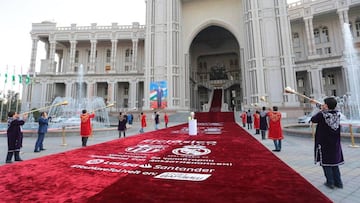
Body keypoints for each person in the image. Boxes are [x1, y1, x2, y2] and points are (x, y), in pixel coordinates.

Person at [311, 97, 344, 189]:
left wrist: (318, 109)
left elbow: (313, 119)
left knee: (326, 164)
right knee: (334, 163)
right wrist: (317, 104)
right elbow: (328, 110)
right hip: (335, 143)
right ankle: (339, 182)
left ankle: (330, 182)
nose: (323, 105)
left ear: (327, 105)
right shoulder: (338, 113)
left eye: (324, 104)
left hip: (324, 143)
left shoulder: (322, 115)